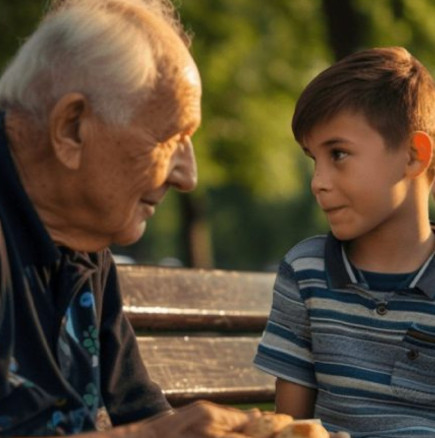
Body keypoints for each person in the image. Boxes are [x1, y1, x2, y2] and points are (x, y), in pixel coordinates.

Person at [0, 0, 269, 436]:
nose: (189, 176)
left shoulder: (82, 234)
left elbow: (143, 414)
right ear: (71, 128)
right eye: (172, 137)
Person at [254, 46, 435, 437]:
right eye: (312, 159)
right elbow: (291, 427)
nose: (317, 181)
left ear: (413, 155)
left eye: (338, 154)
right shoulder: (306, 272)